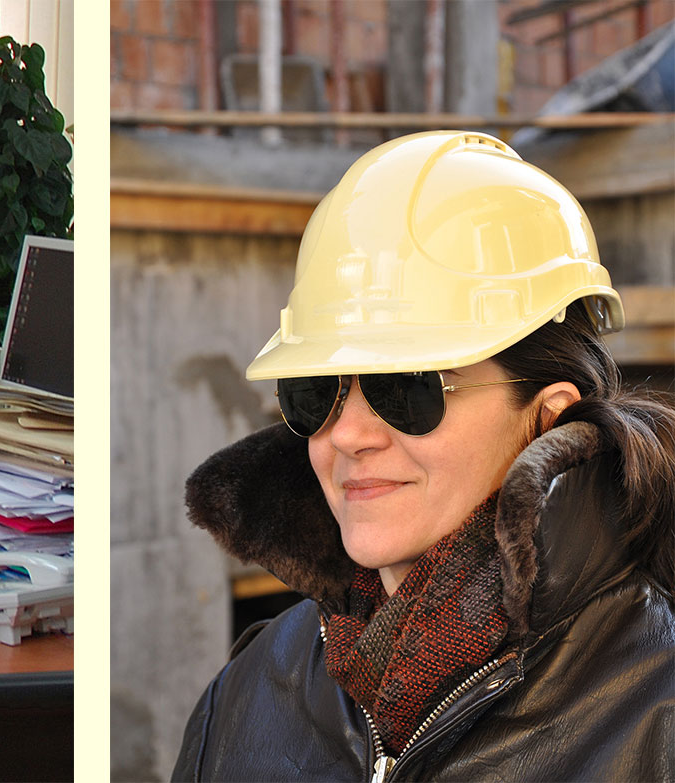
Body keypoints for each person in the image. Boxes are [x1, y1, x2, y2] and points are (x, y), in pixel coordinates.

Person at [172, 130, 675, 780]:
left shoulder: (656, 714)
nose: (348, 434)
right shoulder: (249, 692)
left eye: (406, 388)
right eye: (317, 391)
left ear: (548, 416)